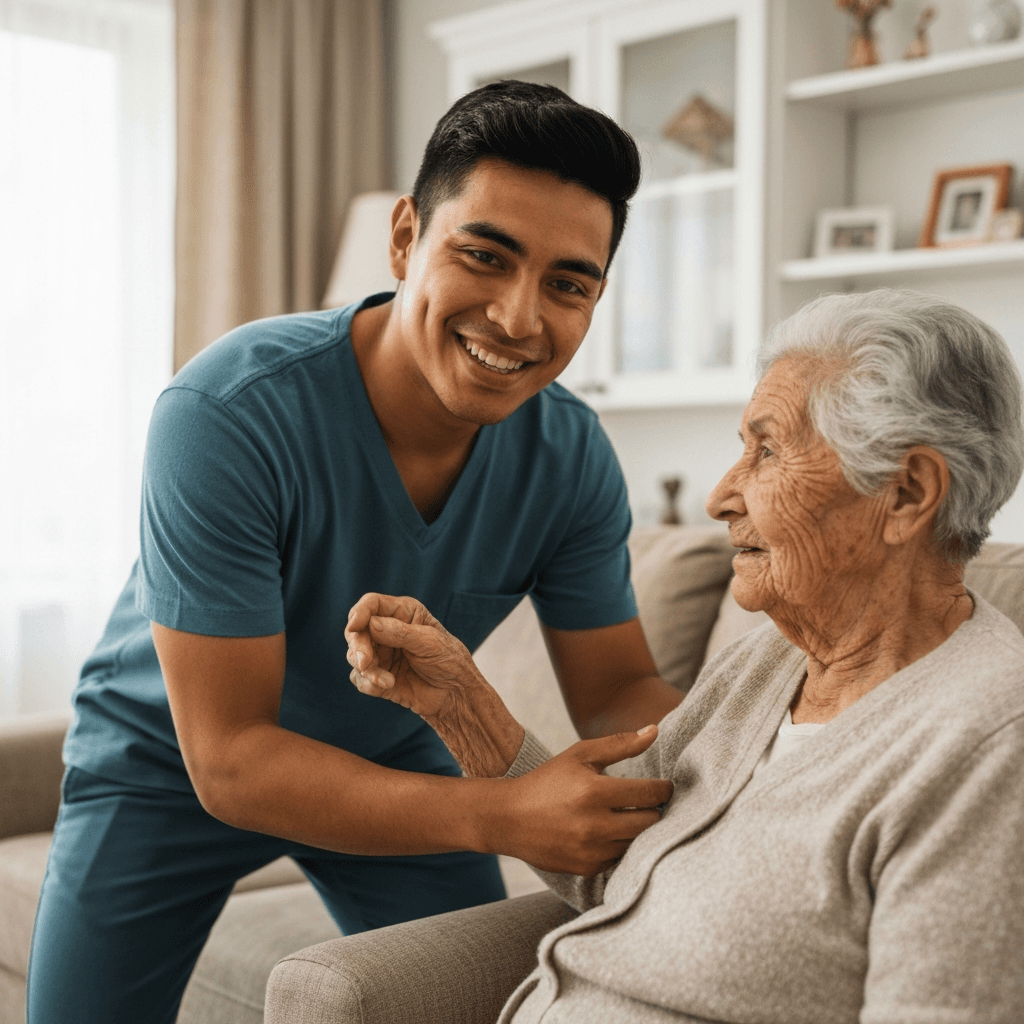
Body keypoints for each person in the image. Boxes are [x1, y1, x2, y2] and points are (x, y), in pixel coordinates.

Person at [28, 81, 680, 1024]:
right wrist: (504, 810)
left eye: (567, 284)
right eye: (485, 257)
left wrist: (778, 741)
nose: (517, 317)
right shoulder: (226, 413)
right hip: (167, 760)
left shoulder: (572, 458)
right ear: (407, 236)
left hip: (393, 755)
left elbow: (620, 692)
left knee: (461, 1007)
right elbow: (235, 760)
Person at [347, 288, 1024, 1022]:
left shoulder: (987, 747)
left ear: (907, 492)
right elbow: (610, 859)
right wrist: (463, 707)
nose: (721, 496)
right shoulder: (766, 665)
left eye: (766, 450)